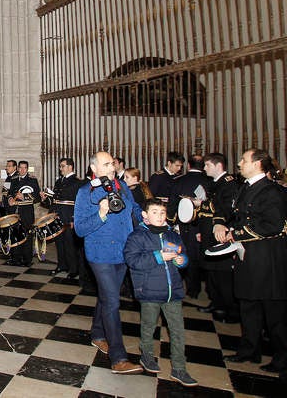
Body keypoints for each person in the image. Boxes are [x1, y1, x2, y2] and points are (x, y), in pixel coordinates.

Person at [216, 149, 287, 374]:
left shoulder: (272, 191)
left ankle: (282, 358)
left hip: (267, 259)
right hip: (248, 257)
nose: (239, 163)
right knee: (248, 305)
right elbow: (236, 214)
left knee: (274, 313)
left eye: (244, 160)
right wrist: (224, 225)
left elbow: (273, 225)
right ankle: (249, 349)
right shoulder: (245, 187)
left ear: (257, 164)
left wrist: (237, 233)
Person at [74, 151, 143, 374]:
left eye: (112, 163)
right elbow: (81, 229)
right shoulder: (85, 192)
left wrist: (152, 217)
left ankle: (97, 334)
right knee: (113, 301)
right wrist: (101, 214)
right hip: (100, 254)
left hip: (123, 251)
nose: (112, 167)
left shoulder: (122, 186)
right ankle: (118, 357)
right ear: (94, 169)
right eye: (106, 164)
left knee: (106, 296)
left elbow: (134, 210)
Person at [124, 199, 197, 386]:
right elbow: (132, 260)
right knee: (149, 326)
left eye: (162, 213)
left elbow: (183, 253)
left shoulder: (172, 235)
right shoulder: (138, 236)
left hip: (172, 291)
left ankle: (179, 368)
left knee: (178, 330)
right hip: (149, 290)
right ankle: (147, 355)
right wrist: (158, 256)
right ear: (145, 215)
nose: (159, 216)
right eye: (154, 212)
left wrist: (182, 261)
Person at [198, 152, 240, 322]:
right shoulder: (213, 183)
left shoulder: (229, 184)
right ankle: (217, 303)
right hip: (209, 233)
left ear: (217, 165)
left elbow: (225, 210)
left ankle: (232, 311)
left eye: (207, 165)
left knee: (223, 277)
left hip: (221, 234)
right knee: (212, 274)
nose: (204, 168)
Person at [167, 154, 211, 298]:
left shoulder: (179, 181)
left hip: (185, 225)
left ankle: (191, 289)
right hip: (205, 225)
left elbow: (172, 204)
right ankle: (208, 290)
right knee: (204, 257)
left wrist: (170, 222)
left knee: (185, 256)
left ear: (188, 166)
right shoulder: (209, 181)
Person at [42, 157, 81, 278]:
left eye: (62, 166)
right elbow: (55, 200)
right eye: (60, 166)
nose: (60, 169)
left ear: (70, 167)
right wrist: (46, 199)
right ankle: (62, 265)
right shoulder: (59, 181)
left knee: (70, 243)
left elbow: (79, 203)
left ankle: (74, 269)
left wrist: (74, 219)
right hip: (57, 216)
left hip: (68, 216)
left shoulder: (77, 182)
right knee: (59, 242)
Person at [3, 160, 39, 267]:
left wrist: (24, 197)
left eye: (25, 168)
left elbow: (37, 197)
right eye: (21, 168)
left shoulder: (32, 180)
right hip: (15, 212)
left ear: (27, 169)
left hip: (27, 212)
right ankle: (15, 258)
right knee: (15, 235)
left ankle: (27, 259)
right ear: (18, 168)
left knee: (27, 235)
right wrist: (10, 199)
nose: (22, 170)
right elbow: (8, 193)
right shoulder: (13, 179)